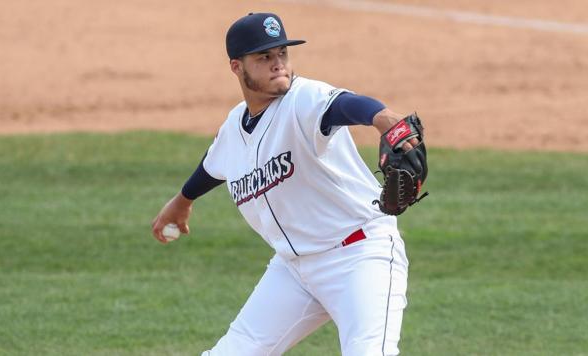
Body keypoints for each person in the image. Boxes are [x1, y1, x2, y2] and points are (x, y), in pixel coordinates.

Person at [151, 12, 425, 356]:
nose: (278, 64)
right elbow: (213, 164)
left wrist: (381, 118)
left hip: (359, 256)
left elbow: (345, 105)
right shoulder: (236, 124)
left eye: (282, 54)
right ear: (237, 67)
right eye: (264, 57)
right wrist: (182, 201)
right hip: (294, 270)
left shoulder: (303, 99)